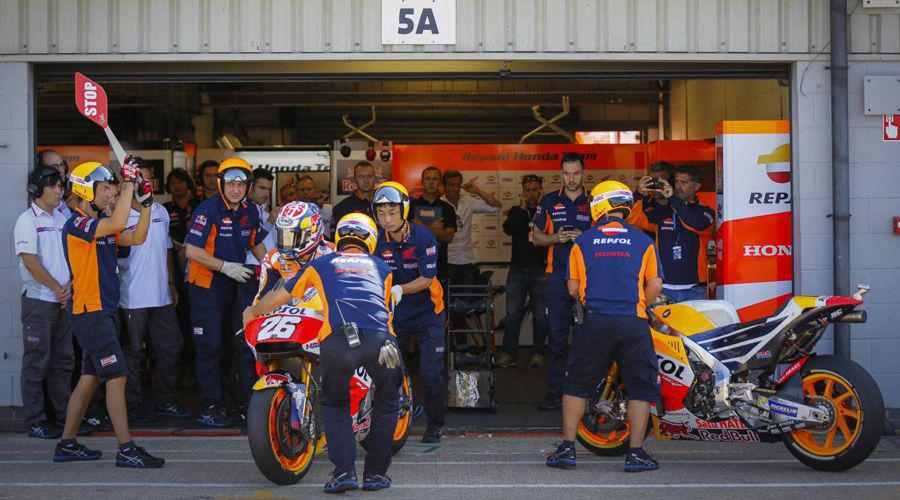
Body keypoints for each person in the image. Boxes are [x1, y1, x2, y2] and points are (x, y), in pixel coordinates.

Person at [244, 213, 402, 494]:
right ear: (372, 240)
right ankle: (376, 475)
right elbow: (387, 309)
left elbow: (281, 297)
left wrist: (252, 312)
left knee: (335, 404)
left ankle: (344, 473)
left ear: (338, 238)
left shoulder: (320, 264)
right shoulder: (382, 267)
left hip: (338, 341)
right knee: (389, 403)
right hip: (381, 342)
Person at [54, 158, 165, 468]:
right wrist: (129, 183)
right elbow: (117, 225)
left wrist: (146, 207)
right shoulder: (78, 223)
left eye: (113, 191)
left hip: (102, 312)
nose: (111, 196)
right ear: (85, 190)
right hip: (91, 312)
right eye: (105, 189)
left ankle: (67, 443)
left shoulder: (98, 223)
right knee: (116, 376)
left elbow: (136, 237)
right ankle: (126, 448)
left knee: (90, 377)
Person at [546, 180, 663, 473]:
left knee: (576, 385)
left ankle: (567, 450)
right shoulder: (644, 241)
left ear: (600, 205)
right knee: (640, 388)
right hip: (632, 322)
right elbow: (655, 285)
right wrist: (638, 304)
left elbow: (573, 288)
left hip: (595, 321)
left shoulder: (582, 242)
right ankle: (635, 454)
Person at [184, 158, 268, 427]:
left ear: (248, 185)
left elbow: (256, 244)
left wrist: (274, 269)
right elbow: (191, 251)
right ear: (221, 184)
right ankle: (209, 405)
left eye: (240, 183)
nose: (235, 189)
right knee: (210, 346)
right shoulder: (206, 210)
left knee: (234, 346)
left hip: (234, 285)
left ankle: (229, 402)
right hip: (207, 286)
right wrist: (225, 266)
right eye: (230, 183)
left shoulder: (250, 210)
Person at [373, 182, 446, 444]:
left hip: (429, 311)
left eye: (392, 212)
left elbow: (427, 278)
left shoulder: (423, 237)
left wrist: (400, 289)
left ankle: (436, 423)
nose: (387, 219)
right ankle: (403, 410)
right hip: (396, 314)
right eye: (381, 214)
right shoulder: (375, 239)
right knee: (388, 368)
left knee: (430, 371)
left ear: (403, 210)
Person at [118, 162, 189, 422]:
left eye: (147, 180)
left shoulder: (160, 210)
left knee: (171, 348)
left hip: (161, 298)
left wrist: (171, 283)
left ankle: (165, 401)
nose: (143, 185)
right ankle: (132, 405)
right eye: (138, 180)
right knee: (132, 355)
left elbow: (166, 249)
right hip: (131, 298)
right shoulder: (119, 215)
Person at [15, 165, 74, 439]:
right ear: (37, 190)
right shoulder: (26, 220)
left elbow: (74, 256)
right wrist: (57, 288)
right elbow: (30, 261)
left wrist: (68, 288)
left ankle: (64, 418)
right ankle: (36, 421)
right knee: (37, 362)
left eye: (60, 185)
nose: (58, 190)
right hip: (40, 302)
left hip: (63, 301)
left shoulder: (64, 218)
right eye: (52, 186)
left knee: (63, 361)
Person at [531, 152, 592, 411]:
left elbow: (606, 236)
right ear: (561, 174)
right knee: (556, 337)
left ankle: (584, 393)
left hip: (587, 280)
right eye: (567, 173)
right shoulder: (548, 201)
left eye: (576, 173)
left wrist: (583, 238)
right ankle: (555, 392)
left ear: (583, 173)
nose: (571, 178)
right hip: (556, 278)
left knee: (585, 338)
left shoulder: (595, 202)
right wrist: (557, 238)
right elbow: (535, 237)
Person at [496, 174, 549, 369]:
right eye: (528, 190)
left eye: (535, 190)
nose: (532, 194)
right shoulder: (517, 211)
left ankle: (538, 353)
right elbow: (509, 229)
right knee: (512, 315)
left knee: (541, 316)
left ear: (541, 190)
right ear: (523, 192)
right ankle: (509, 353)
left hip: (541, 271)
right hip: (517, 272)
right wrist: (522, 209)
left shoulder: (547, 211)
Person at [644, 164, 715, 303]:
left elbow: (695, 223)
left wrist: (673, 200)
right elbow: (634, 219)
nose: (678, 186)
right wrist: (640, 192)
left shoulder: (705, 212)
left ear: (696, 186)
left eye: (684, 182)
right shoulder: (663, 211)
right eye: (676, 182)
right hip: (663, 288)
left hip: (694, 290)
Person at [253, 201, 333, 306]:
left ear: (312, 233)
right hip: (286, 317)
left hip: (322, 316)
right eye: (283, 234)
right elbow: (260, 301)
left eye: (293, 236)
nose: (286, 241)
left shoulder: (333, 254)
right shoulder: (273, 258)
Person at [409, 166, 456, 281]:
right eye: (427, 179)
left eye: (434, 179)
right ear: (422, 181)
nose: (431, 182)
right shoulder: (410, 207)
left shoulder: (448, 208)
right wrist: (436, 231)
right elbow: (407, 235)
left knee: (439, 298)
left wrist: (421, 228)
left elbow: (448, 237)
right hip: (413, 265)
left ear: (439, 182)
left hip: (439, 266)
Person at [330, 161, 377, 238]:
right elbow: (335, 239)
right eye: (361, 177)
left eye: (369, 176)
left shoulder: (383, 204)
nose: (366, 181)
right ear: (354, 179)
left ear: (375, 178)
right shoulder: (341, 208)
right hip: (354, 249)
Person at [628, 161, 674, 234]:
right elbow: (629, 218)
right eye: (651, 181)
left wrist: (673, 199)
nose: (655, 186)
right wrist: (638, 193)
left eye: (658, 181)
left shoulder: (680, 205)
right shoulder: (642, 203)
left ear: (671, 182)